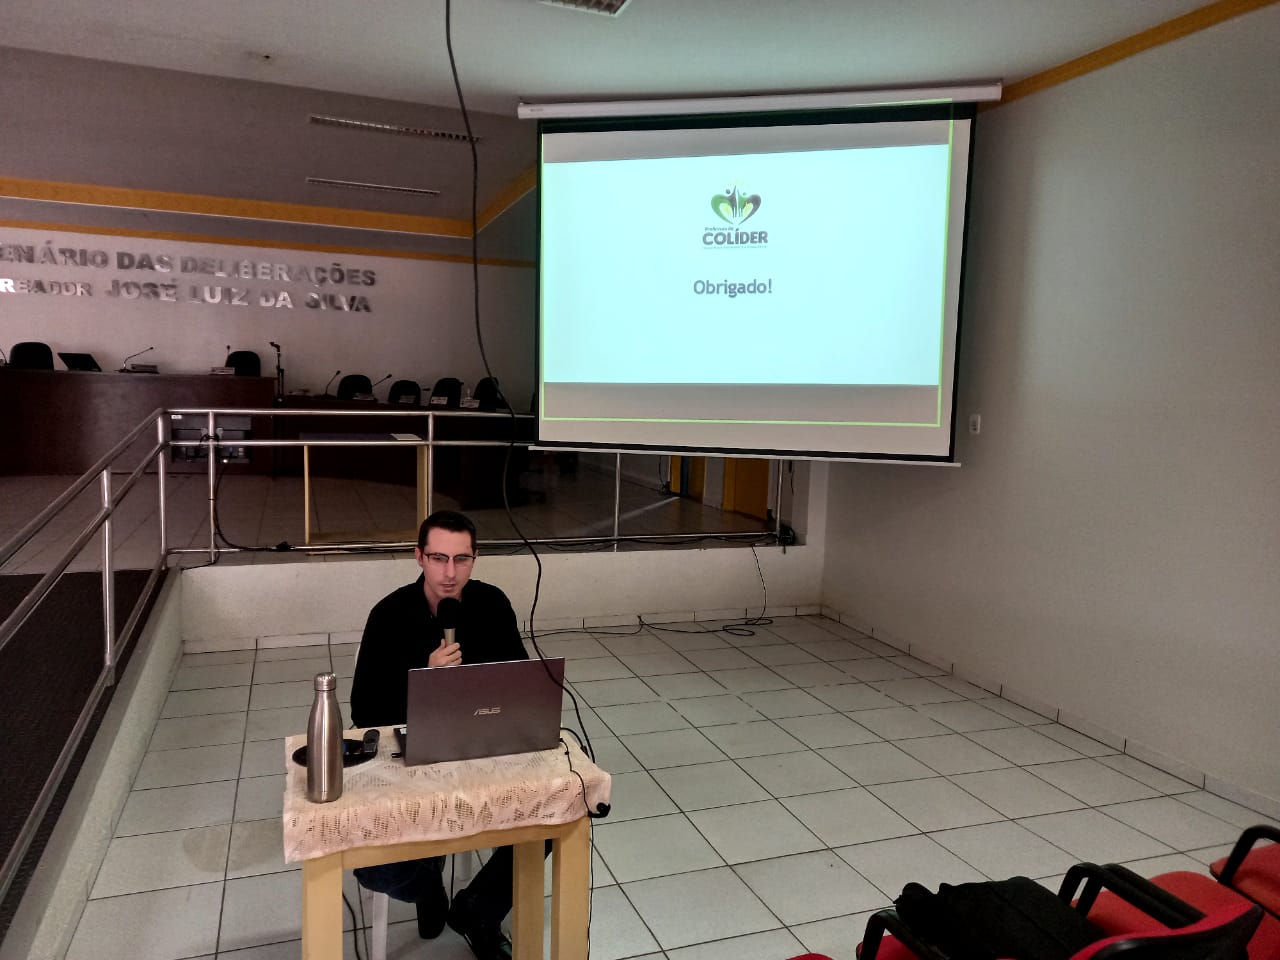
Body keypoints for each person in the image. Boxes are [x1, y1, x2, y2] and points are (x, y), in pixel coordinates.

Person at [350, 510, 529, 960]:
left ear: (474, 559)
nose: (450, 573)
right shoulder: (388, 615)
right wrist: (423, 680)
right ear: (419, 557)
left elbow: (522, 681)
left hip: (481, 743)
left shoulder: (492, 604)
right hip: (409, 752)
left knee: (559, 812)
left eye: (461, 559)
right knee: (374, 869)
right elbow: (364, 712)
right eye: (438, 558)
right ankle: (428, 886)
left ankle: (478, 909)